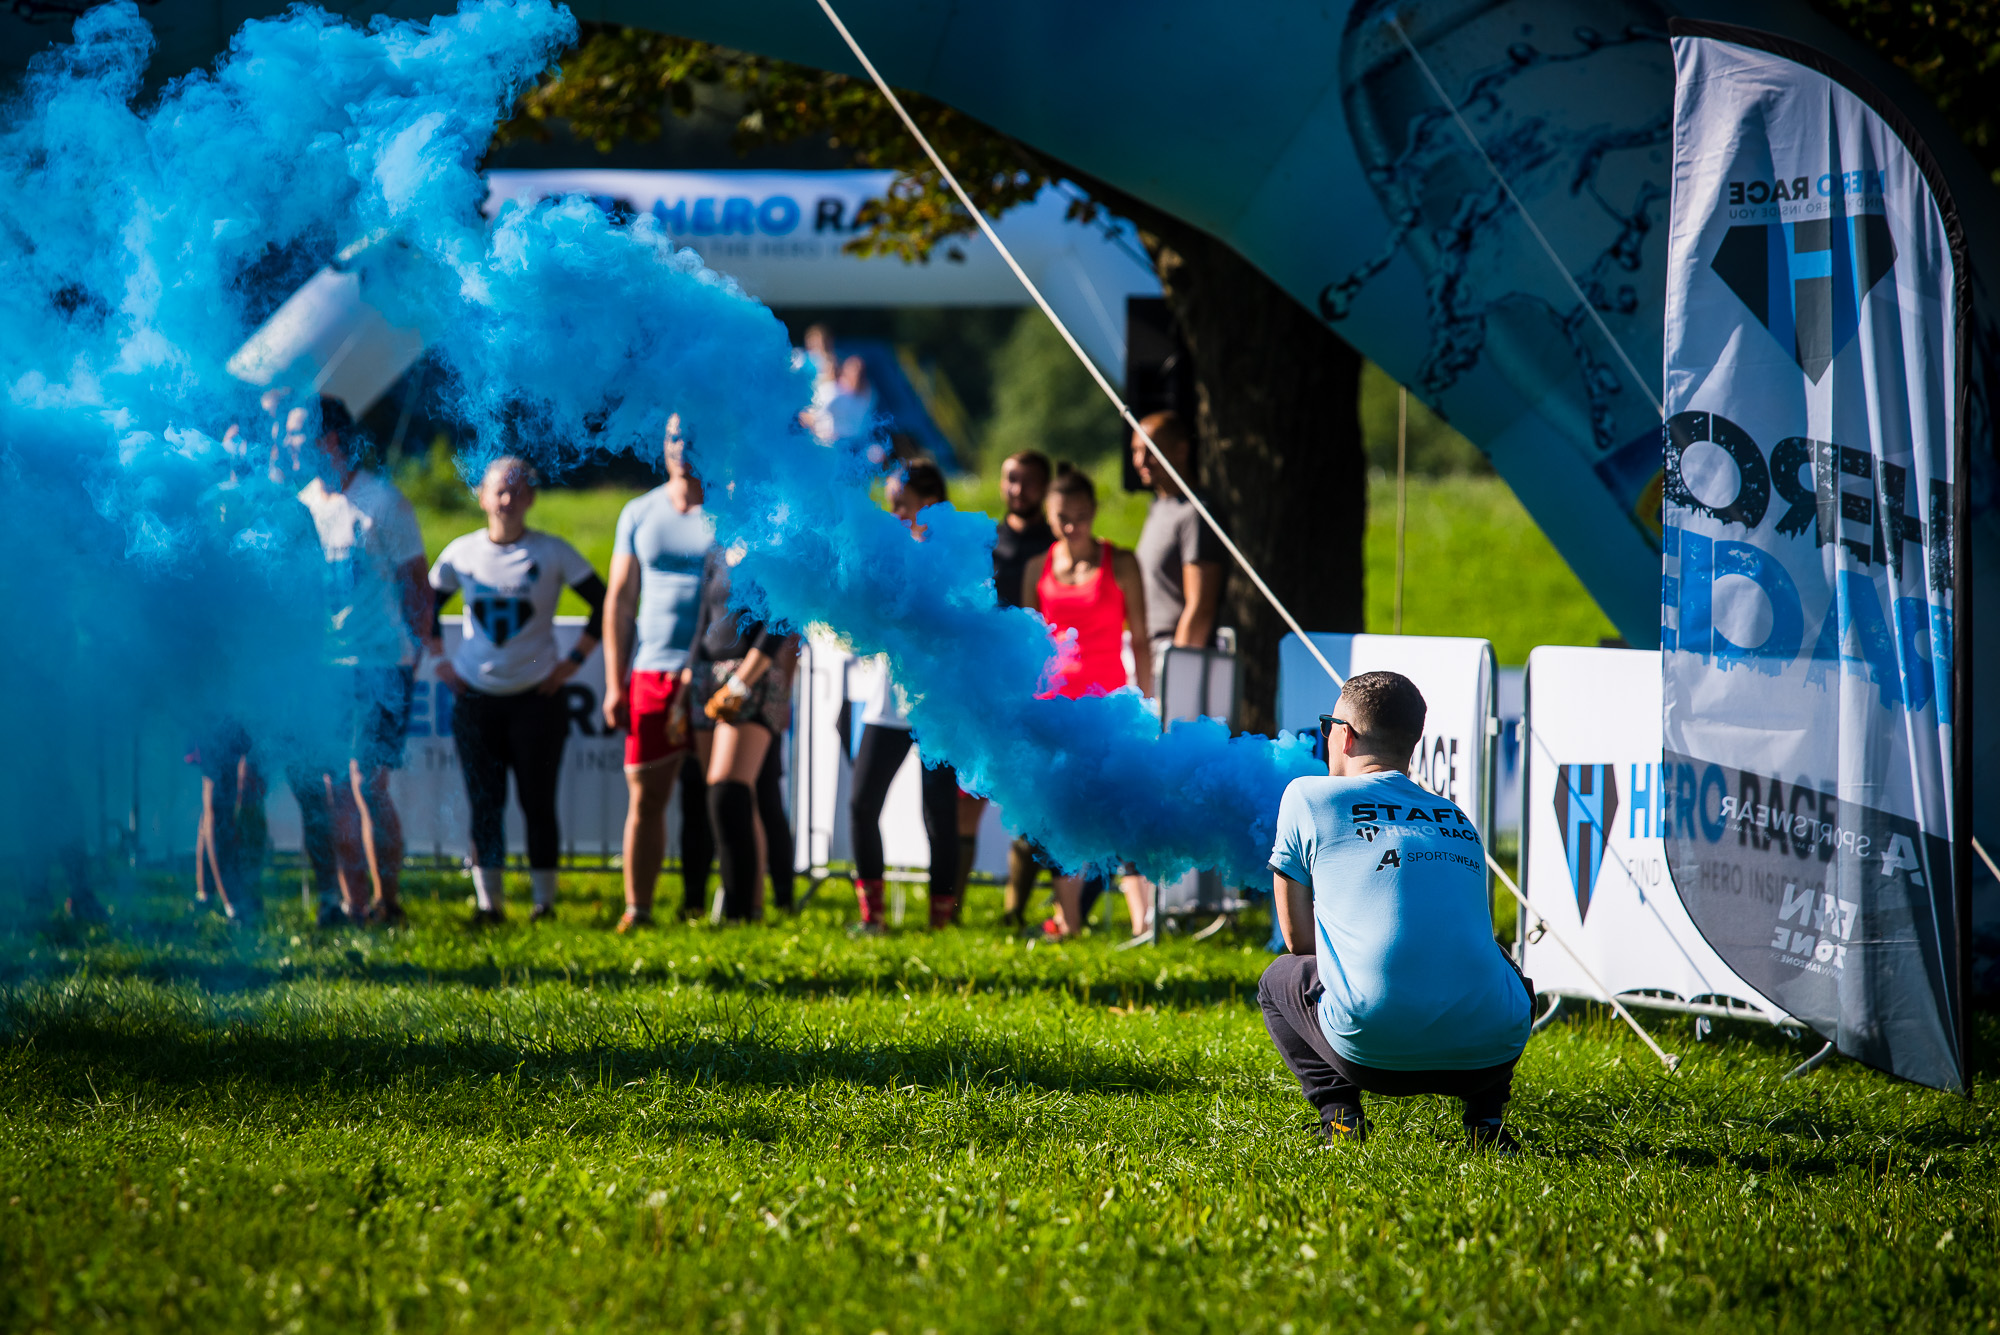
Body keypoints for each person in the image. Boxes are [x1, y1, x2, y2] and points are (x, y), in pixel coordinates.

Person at [1259, 670, 1531, 1150]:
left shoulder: (1307, 795)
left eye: (1328, 726)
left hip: (1370, 1052)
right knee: (1505, 970)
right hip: (1488, 1053)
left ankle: (1339, 1115)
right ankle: (1486, 1123)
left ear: (1344, 735)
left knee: (1279, 978)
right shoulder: (1456, 816)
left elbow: (1299, 942)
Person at [430, 457, 606, 925]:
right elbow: (421, 606)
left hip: (538, 699)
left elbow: (604, 603)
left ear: (531, 498)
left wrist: (570, 665)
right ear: (482, 496)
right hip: (476, 698)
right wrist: (439, 662)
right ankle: (490, 905)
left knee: (537, 801)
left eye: (516, 491)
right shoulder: (461, 554)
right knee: (485, 801)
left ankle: (543, 904)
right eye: (497, 491)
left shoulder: (553, 553)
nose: (506, 500)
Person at [289, 397, 432, 928]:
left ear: (331, 438)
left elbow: (417, 584)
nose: (290, 442)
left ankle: (388, 902)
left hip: (378, 664)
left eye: (300, 432)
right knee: (333, 789)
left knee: (367, 782)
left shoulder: (383, 502)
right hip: (323, 667)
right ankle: (351, 905)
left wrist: (413, 654)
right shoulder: (299, 505)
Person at [1021, 463, 1153, 939]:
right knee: (1061, 816)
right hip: (1056, 709)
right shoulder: (1037, 567)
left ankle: (1143, 925)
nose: (1072, 525)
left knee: (1126, 808)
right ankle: (1070, 924)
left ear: (1094, 511)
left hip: (1112, 706)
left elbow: (1139, 638)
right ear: (1050, 516)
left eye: (1080, 514)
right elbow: (1029, 644)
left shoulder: (1121, 562)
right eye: (1062, 517)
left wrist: (1147, 701)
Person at [603, 419, 716, 931]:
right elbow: (621, 601)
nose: (683, 446)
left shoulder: (732, 513)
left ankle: (717, 905)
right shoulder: (639, 511)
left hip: (714, 673)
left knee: (717, 795)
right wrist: (613, 681)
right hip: (651, 671)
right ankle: (638, 908)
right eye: (674, 437)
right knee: (646, 797)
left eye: (692, 435)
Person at [847, 461, 962, 932]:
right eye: (890, 504)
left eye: (902, 504)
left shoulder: (954, 556)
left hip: (939, 707)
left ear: (930, 503)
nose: (893, 514)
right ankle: (872, 918)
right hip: (888, 702)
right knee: (861, 804)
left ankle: (942, 919)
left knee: (937, 813)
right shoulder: (887, 555)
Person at [687, 532, 798, 923]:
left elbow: (781, 620)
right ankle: (749, 904)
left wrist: (740, 683)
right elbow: (704, 618)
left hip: (751, 674)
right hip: (706, 673)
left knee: (728, 790)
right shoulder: (717, 546)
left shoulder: (775, 545)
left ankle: (739, 912)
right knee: (733, 797)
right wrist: (689, 675)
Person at [982, 450, 1054, 927]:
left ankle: (1035, 910)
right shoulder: (985, 540)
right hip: (986, 680)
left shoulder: (1056, 545)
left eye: (1027, 481)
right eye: (1011, 479)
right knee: (975, 801)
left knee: (1037, 801)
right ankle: (967, 908)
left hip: (1042, 685)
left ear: (1044, 486)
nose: (1017, 489)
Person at [1130, 411, 1229, 693]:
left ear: (1181, 449)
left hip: (1175, 660)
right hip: (1149, 658)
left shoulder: (1196, 513)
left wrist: (1180, 678)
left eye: (1150, 450)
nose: (1140, 461)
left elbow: (1200, 605)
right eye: (1136, 450)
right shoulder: (1159, 506)